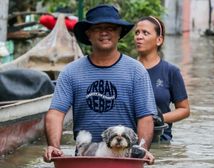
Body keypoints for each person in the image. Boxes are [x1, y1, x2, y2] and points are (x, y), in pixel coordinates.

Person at [43, 4, 156, 164]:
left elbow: (145, 117)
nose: (104, 32)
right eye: (97, 28)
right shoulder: (71, 71)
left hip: (125, 160)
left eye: (110, 28)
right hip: (84, 157)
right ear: (88, 34)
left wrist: (142, 150)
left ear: (119, 33)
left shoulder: (136, 71)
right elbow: (55, 114)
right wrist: (53, 147)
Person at [134, 16, 190, 143]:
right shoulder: (126, 69)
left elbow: (184, 110)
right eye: (137, 32)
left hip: (161, 142)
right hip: (130, 142)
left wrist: (159, 118)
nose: (139, 37)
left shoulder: (171, 71)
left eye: (145, 33)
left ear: (159, 40)